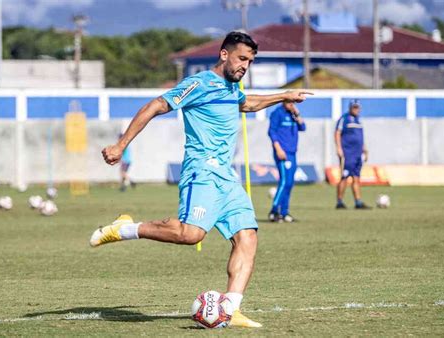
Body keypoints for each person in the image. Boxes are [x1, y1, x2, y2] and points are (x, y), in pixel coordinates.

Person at [89, 31, 312, 328]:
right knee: (190, 234)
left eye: (250, 61)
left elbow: (247, 104)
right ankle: (125, 228)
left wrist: (283, 95)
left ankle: (230, 309)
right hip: (202, 171)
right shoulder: (199, 84)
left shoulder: (233, 87)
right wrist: (121, 145)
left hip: (226, 177)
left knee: (248, 238)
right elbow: (156, 105)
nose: (246, 65)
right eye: (242, 58)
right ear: (224, 54)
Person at [267, 101, 306, 223]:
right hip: (282, 152)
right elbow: (271, 132)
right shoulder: (277, 113)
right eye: (289, 102)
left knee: (289, 183)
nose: (291, 104)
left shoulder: (292, 114)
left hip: (292, 153)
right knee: (284, 182)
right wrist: (278, 149)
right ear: (284, 101)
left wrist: (297, 114)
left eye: (293, 102)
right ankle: (274, 211)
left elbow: (303, 127)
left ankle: (284, 212)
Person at [335, 99, 371, 209]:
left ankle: (358, 202)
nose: (356, 109)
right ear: (350, 108)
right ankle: (339, 202)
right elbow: (337, 133)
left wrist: (365, 149)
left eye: (358, 107)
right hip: (347, 154)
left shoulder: (358, 120)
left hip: (357, 154)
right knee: (344, 177)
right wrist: (339, 148)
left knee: (356, 177)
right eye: (354, 107)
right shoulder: (344, 119)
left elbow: (360, 137)